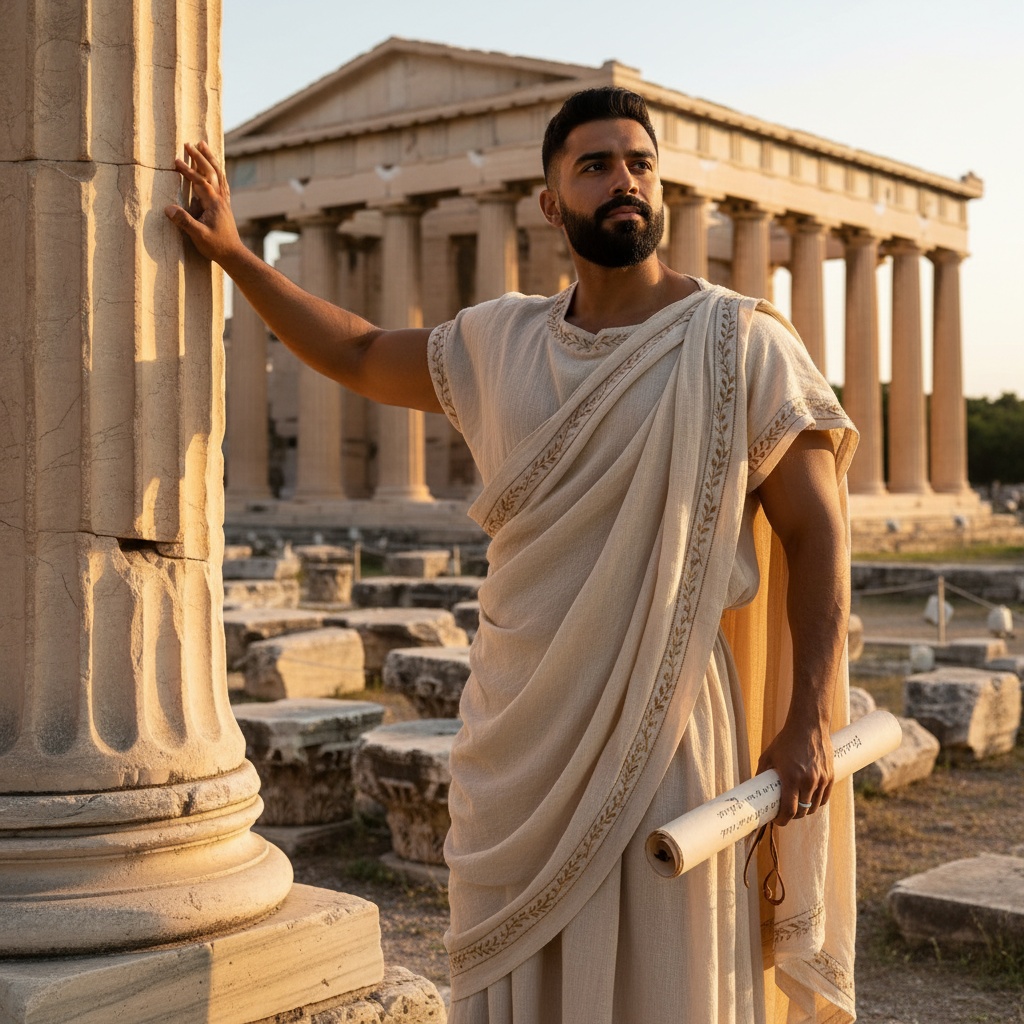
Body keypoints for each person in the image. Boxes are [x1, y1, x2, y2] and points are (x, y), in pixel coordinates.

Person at [166, 87, 858, 1024]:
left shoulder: (740, 340)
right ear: (550, 202)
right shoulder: (502, 339)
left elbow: (819, 531)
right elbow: (365, 353)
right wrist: (240, 262)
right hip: (513, 736)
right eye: (597, 165)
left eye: (641, 163)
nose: (625, 180)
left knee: (667, 987)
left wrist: (812, 710)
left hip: (670, 725)